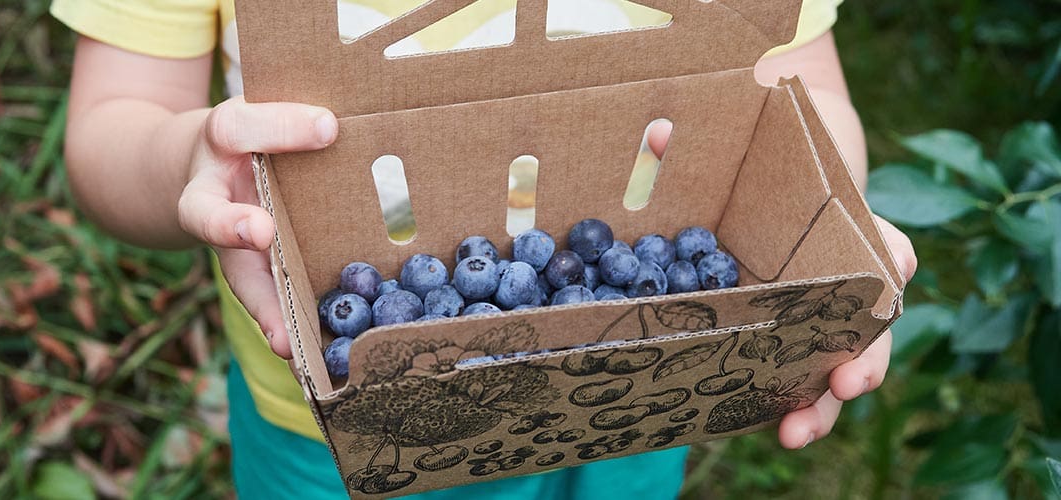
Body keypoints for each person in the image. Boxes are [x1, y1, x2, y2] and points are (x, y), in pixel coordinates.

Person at [51, 0, 917, 497]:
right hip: (345, 430)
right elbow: (107, 131)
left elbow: (804, 97)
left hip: (637, 395)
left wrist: (819, 221)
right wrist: (193, 163)